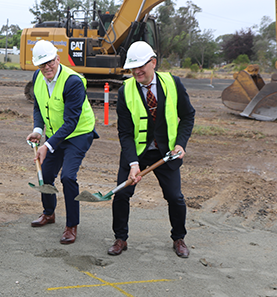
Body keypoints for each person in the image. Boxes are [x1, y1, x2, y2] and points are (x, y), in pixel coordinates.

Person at [109, 41, 195, 258]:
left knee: (175, 197)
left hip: (167, 153)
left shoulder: (172, 83)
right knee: (121, 194)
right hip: (136, 153)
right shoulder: (125, 91)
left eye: (141, 66)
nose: (137, 71)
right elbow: (125, 133)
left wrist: (180, 144)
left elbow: (187, 116)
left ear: (153, 63)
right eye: (133, 67)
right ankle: (121, 238)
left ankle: (179, 238)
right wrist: (133, 163)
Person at [26, 40, 99, 244]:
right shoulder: (37, 77)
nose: (47, 67)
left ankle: (71, 225)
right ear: (37, 66)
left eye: (50, 62)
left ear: (57, 59)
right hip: (56, 134)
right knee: (46, 175)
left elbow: (72, 122)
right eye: (42, 64)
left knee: (68, 177)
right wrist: (38, 130)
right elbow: (39, 106)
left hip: (78, 134)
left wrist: (47, 146)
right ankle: (49, 213)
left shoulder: (73, 81)